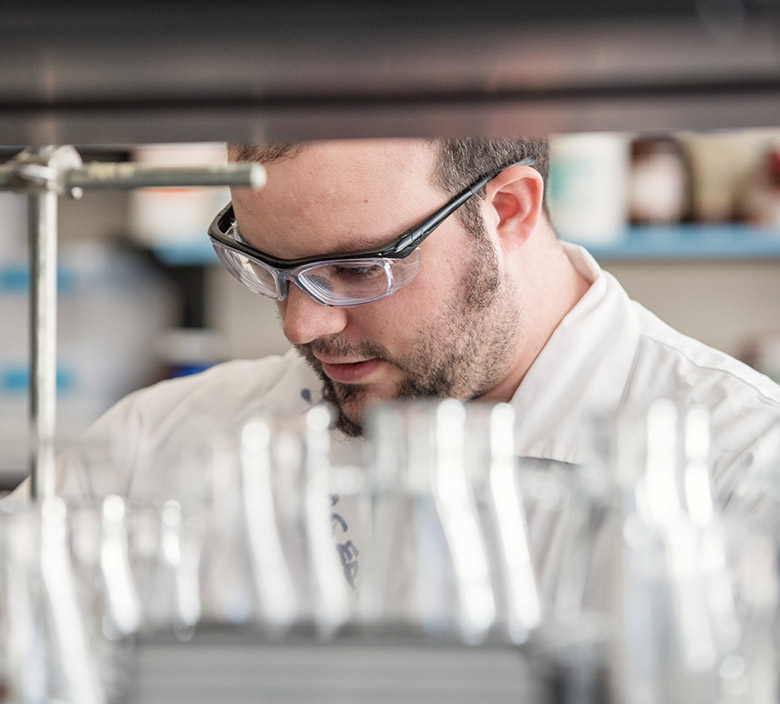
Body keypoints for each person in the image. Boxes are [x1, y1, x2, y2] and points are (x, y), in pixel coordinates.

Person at [10, 136, 780, 597]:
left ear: (507, 210)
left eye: (356, 269)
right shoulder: (154, 448)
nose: (300, 322)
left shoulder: (744, 471)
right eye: (267, 267)